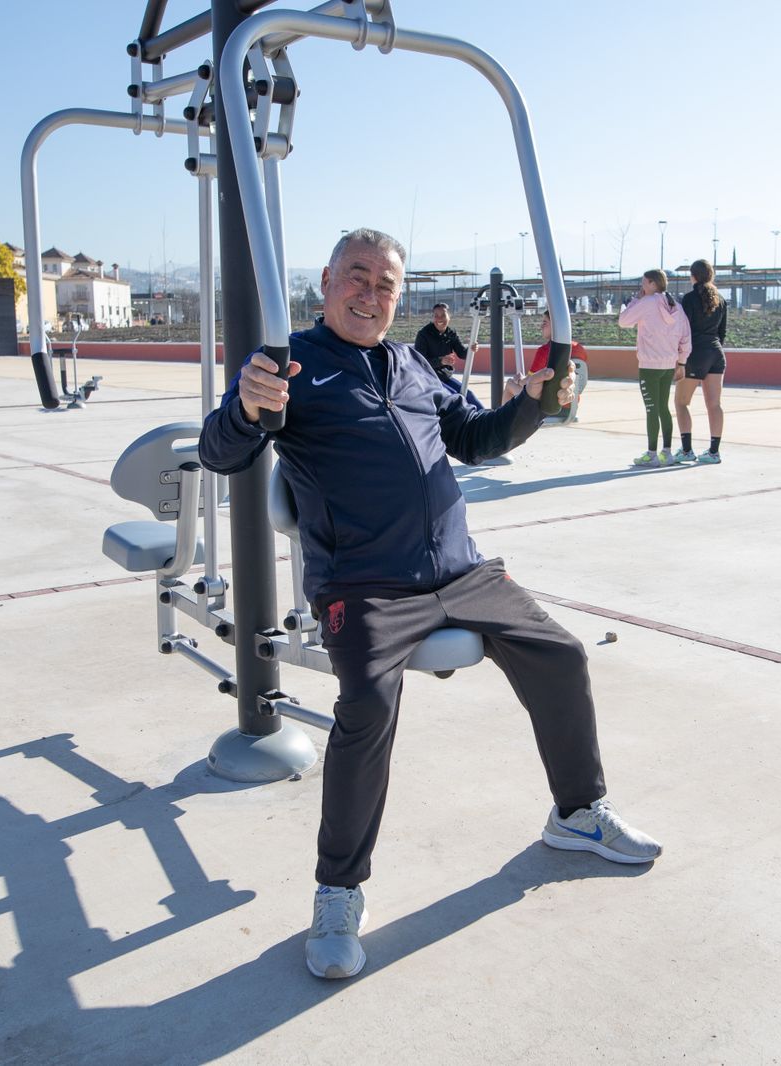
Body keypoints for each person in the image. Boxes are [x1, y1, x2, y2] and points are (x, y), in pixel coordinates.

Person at [198, 228, 662, 982]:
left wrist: (532, 401)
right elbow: (224, 451)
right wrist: (247, 410)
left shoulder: (414, 363)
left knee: (562, 654)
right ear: (326, 281)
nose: (370, 294)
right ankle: (339, 890)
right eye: (357, 276)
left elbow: (475, 440)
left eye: (385, 284)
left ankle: (577, 814)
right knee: (370, 705)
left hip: (460, 570)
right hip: (364, 585)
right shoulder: (289, 367)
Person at [618, 268, 690, 466]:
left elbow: (624, 321)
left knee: (651, 409)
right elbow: (686, 336)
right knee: (663, 408)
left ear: (653, 284)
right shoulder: (675, 305)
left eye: (644, 282)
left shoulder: (647, 303)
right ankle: (666, 453)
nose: (642, 286)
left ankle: (651, 454)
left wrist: (635, 301)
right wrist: (681, 361)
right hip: (668, 365)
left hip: (649, 365)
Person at [674, 260, 726, 464]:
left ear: (693, 276)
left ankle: (687, 450)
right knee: (714, 404)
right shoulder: (721, 299)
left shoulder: (688, 299)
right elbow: (722, 333)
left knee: (680, 402)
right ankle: (714, 452)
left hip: (694, 354)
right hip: (716, 353)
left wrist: (680, 358)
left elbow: (682, 331)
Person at [521, 309, 588, 417]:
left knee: (511, 384)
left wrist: (519, 380)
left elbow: (529, 382)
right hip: (570, 406)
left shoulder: (545, 351)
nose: (541, 327)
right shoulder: (579, 349)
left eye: (545, 323)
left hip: (546, 406)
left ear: (556, 325)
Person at [413, 302, 472, 386]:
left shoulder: (451, 333)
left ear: (449, 317)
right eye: (436, 315)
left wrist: (471, 348)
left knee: (468, 396)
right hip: (428, 379)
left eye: (443, 315)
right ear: (433, 318)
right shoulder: (423, 334)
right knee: (452, 397)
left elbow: (462, 354)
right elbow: (420, 361)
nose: (439, 318)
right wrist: (441, 361)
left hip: (445, 378)